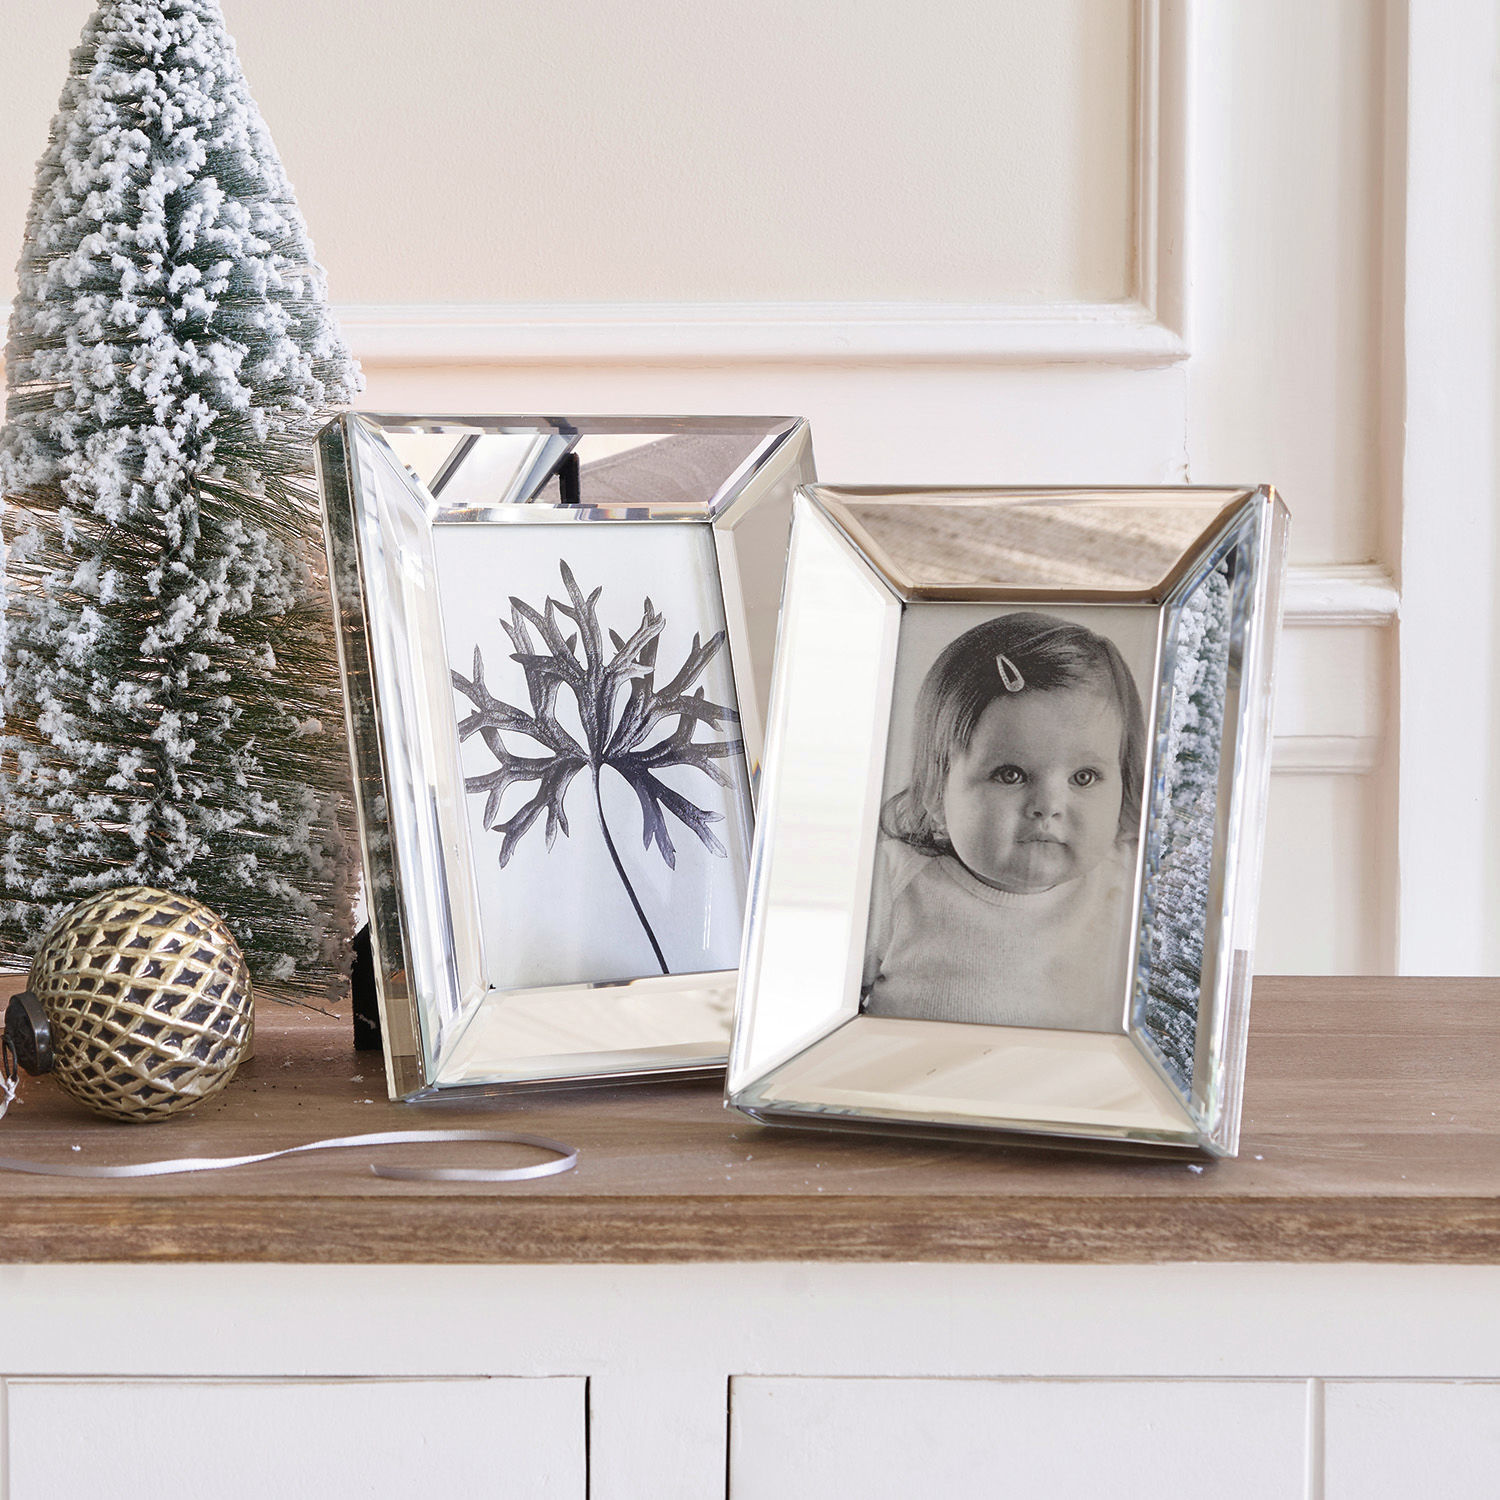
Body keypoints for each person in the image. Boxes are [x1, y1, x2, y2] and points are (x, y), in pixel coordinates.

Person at [861, 612, 1145, 1031]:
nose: (1048, 806)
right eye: (1010, 775)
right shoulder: (889, 886)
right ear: (936, 792)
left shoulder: (1131, 888)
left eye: (1083, 777)